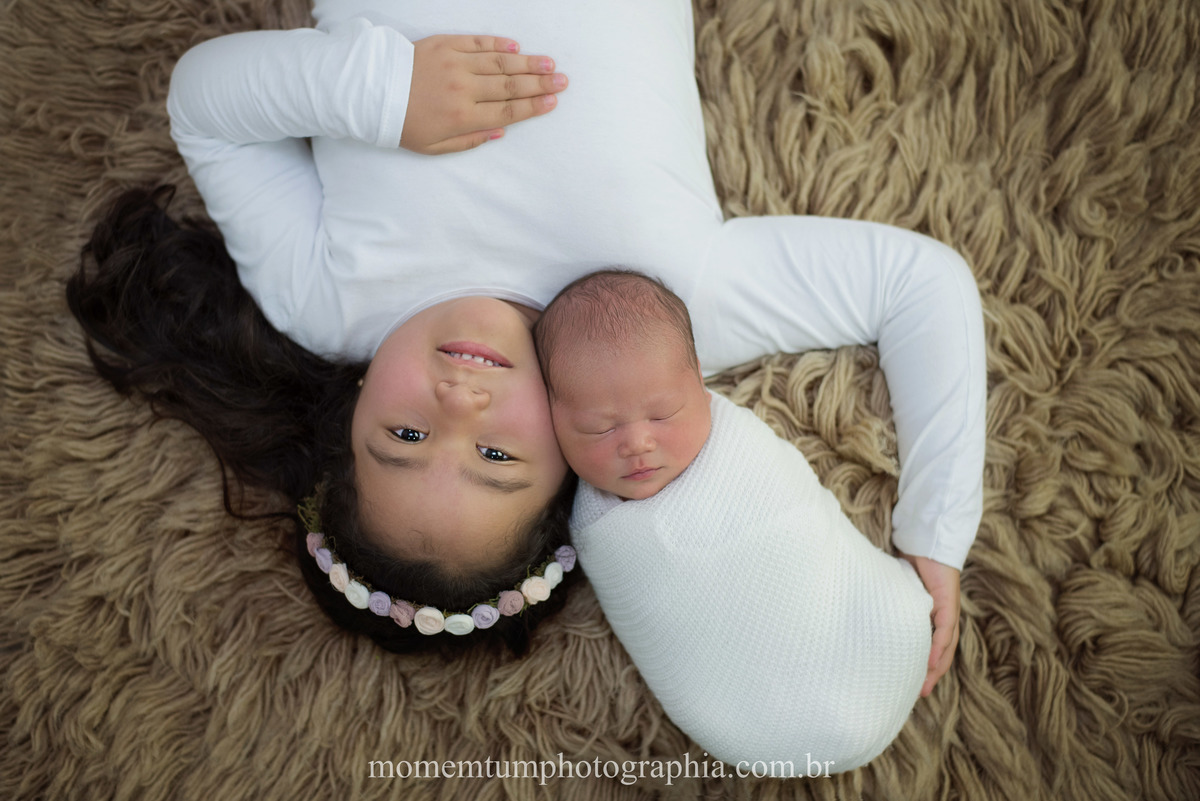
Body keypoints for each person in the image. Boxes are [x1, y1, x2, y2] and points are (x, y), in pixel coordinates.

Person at [68, 0, 985, 693]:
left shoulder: (329, 305)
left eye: (403, 437)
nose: (457, 408)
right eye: (498, 456)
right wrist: (935, 534)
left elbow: (205, 101)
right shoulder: (662, 320)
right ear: (569, 459)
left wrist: (386, 94)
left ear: (350, 408)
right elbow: (922, 285)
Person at [534, 269, 933, 770]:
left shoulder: (741, 451)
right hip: (757, 728)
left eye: (662, 415)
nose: (637, 442)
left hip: (865, 629)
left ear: (698, 381)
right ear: (551, 416)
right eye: (600, 427)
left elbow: (799, 522)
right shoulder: (597, 528)